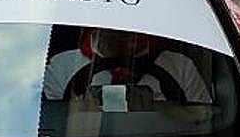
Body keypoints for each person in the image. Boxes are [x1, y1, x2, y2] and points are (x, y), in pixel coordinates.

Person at [42, 28, 211, 103]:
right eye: (118, 30)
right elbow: (49, 126)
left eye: (132, 28)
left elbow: (201, 120)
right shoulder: (62, 66)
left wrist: (164, 111)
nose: (129, 35)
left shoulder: (180, 66)